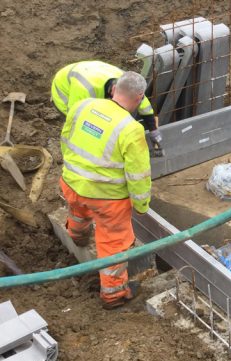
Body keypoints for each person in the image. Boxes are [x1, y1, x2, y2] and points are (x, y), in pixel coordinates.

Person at [59, 72, 152, 309]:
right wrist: (141, 206)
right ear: (140, 97)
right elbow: (138, 176)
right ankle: (114, 295)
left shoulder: (82, 106)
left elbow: (65, 138)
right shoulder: (131, 129)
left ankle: (77, 236)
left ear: (113, 89)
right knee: (114, 244)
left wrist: (75, 173)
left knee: (78, 211)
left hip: (72, 184)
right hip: (107, 200)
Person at [51, 60, 164, 157]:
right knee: (88, 129)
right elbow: (75, 118)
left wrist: (153, 130)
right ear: (114, 90)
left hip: (93, 75)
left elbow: (144, 106)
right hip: (64, 93)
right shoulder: (84, 89)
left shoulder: (128, 84)